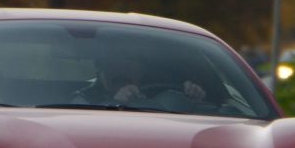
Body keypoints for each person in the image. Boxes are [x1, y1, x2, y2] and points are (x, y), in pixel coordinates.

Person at [74, 52, 205, 105]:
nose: (121, 71)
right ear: (99, 69)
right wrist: (115, 103)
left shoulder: (162, 94)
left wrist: (194, 101)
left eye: (129, 64)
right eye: (113, 64)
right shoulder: (84, 99)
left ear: (143, 71)